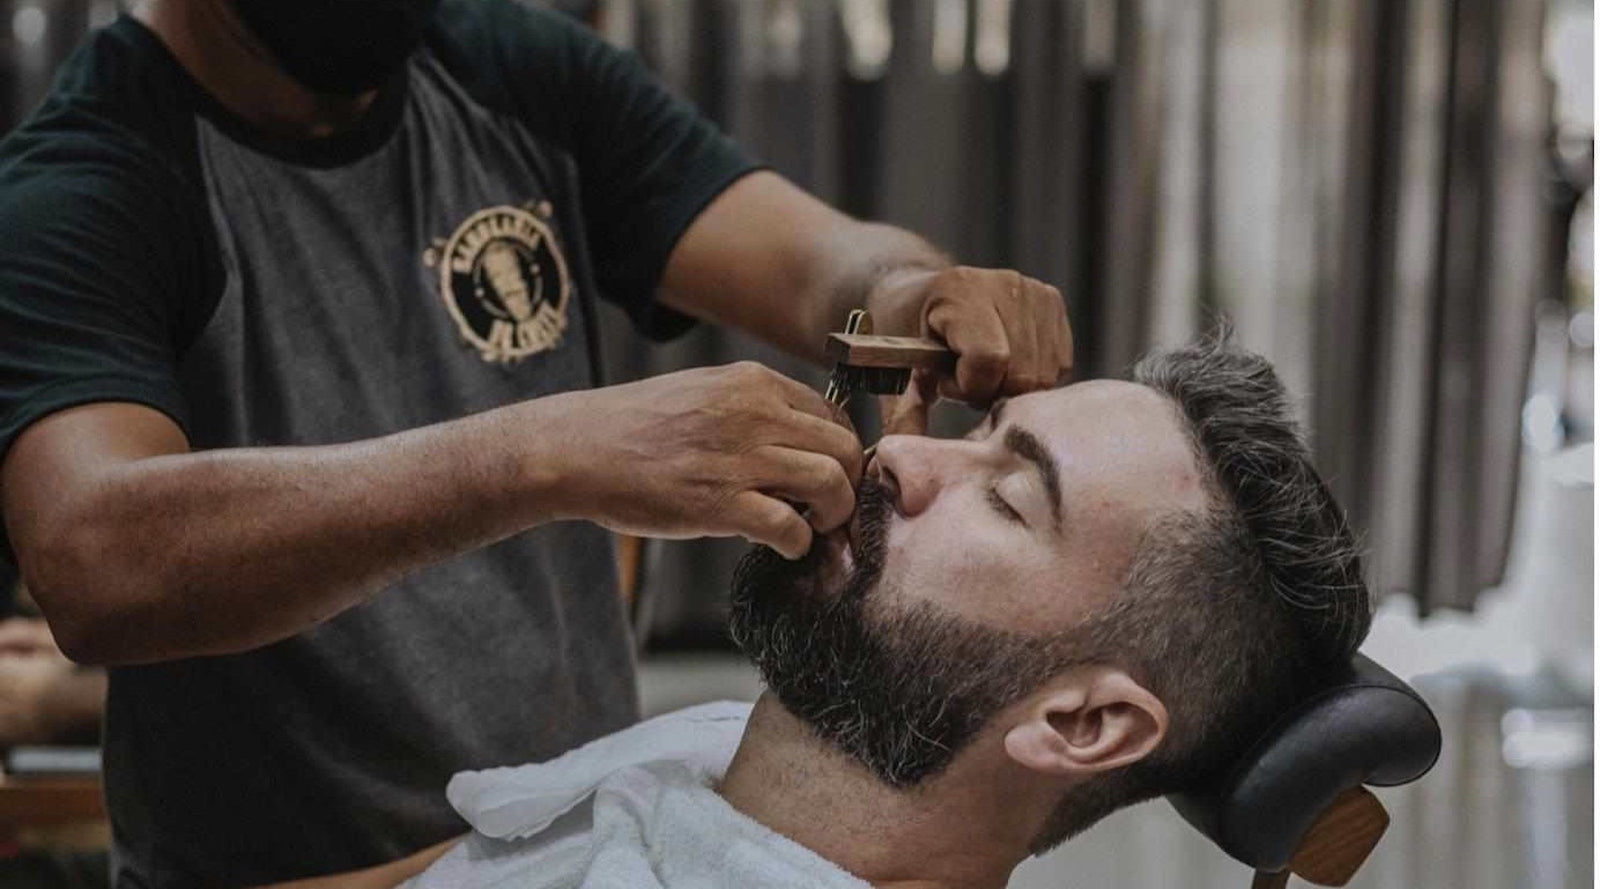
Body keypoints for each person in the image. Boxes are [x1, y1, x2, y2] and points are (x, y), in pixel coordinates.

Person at [0, 0, 1072, 885]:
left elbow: (816, 266)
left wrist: (906, 288)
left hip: (574, 844)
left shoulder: (501, 66)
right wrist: (546, 455)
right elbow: (98, 559)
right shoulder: (89, 185)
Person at [301, 334, 1373, 889]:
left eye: (1007, 496)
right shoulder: (715, 761)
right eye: (977, 432)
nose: (899, 451)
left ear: (1083, 722)